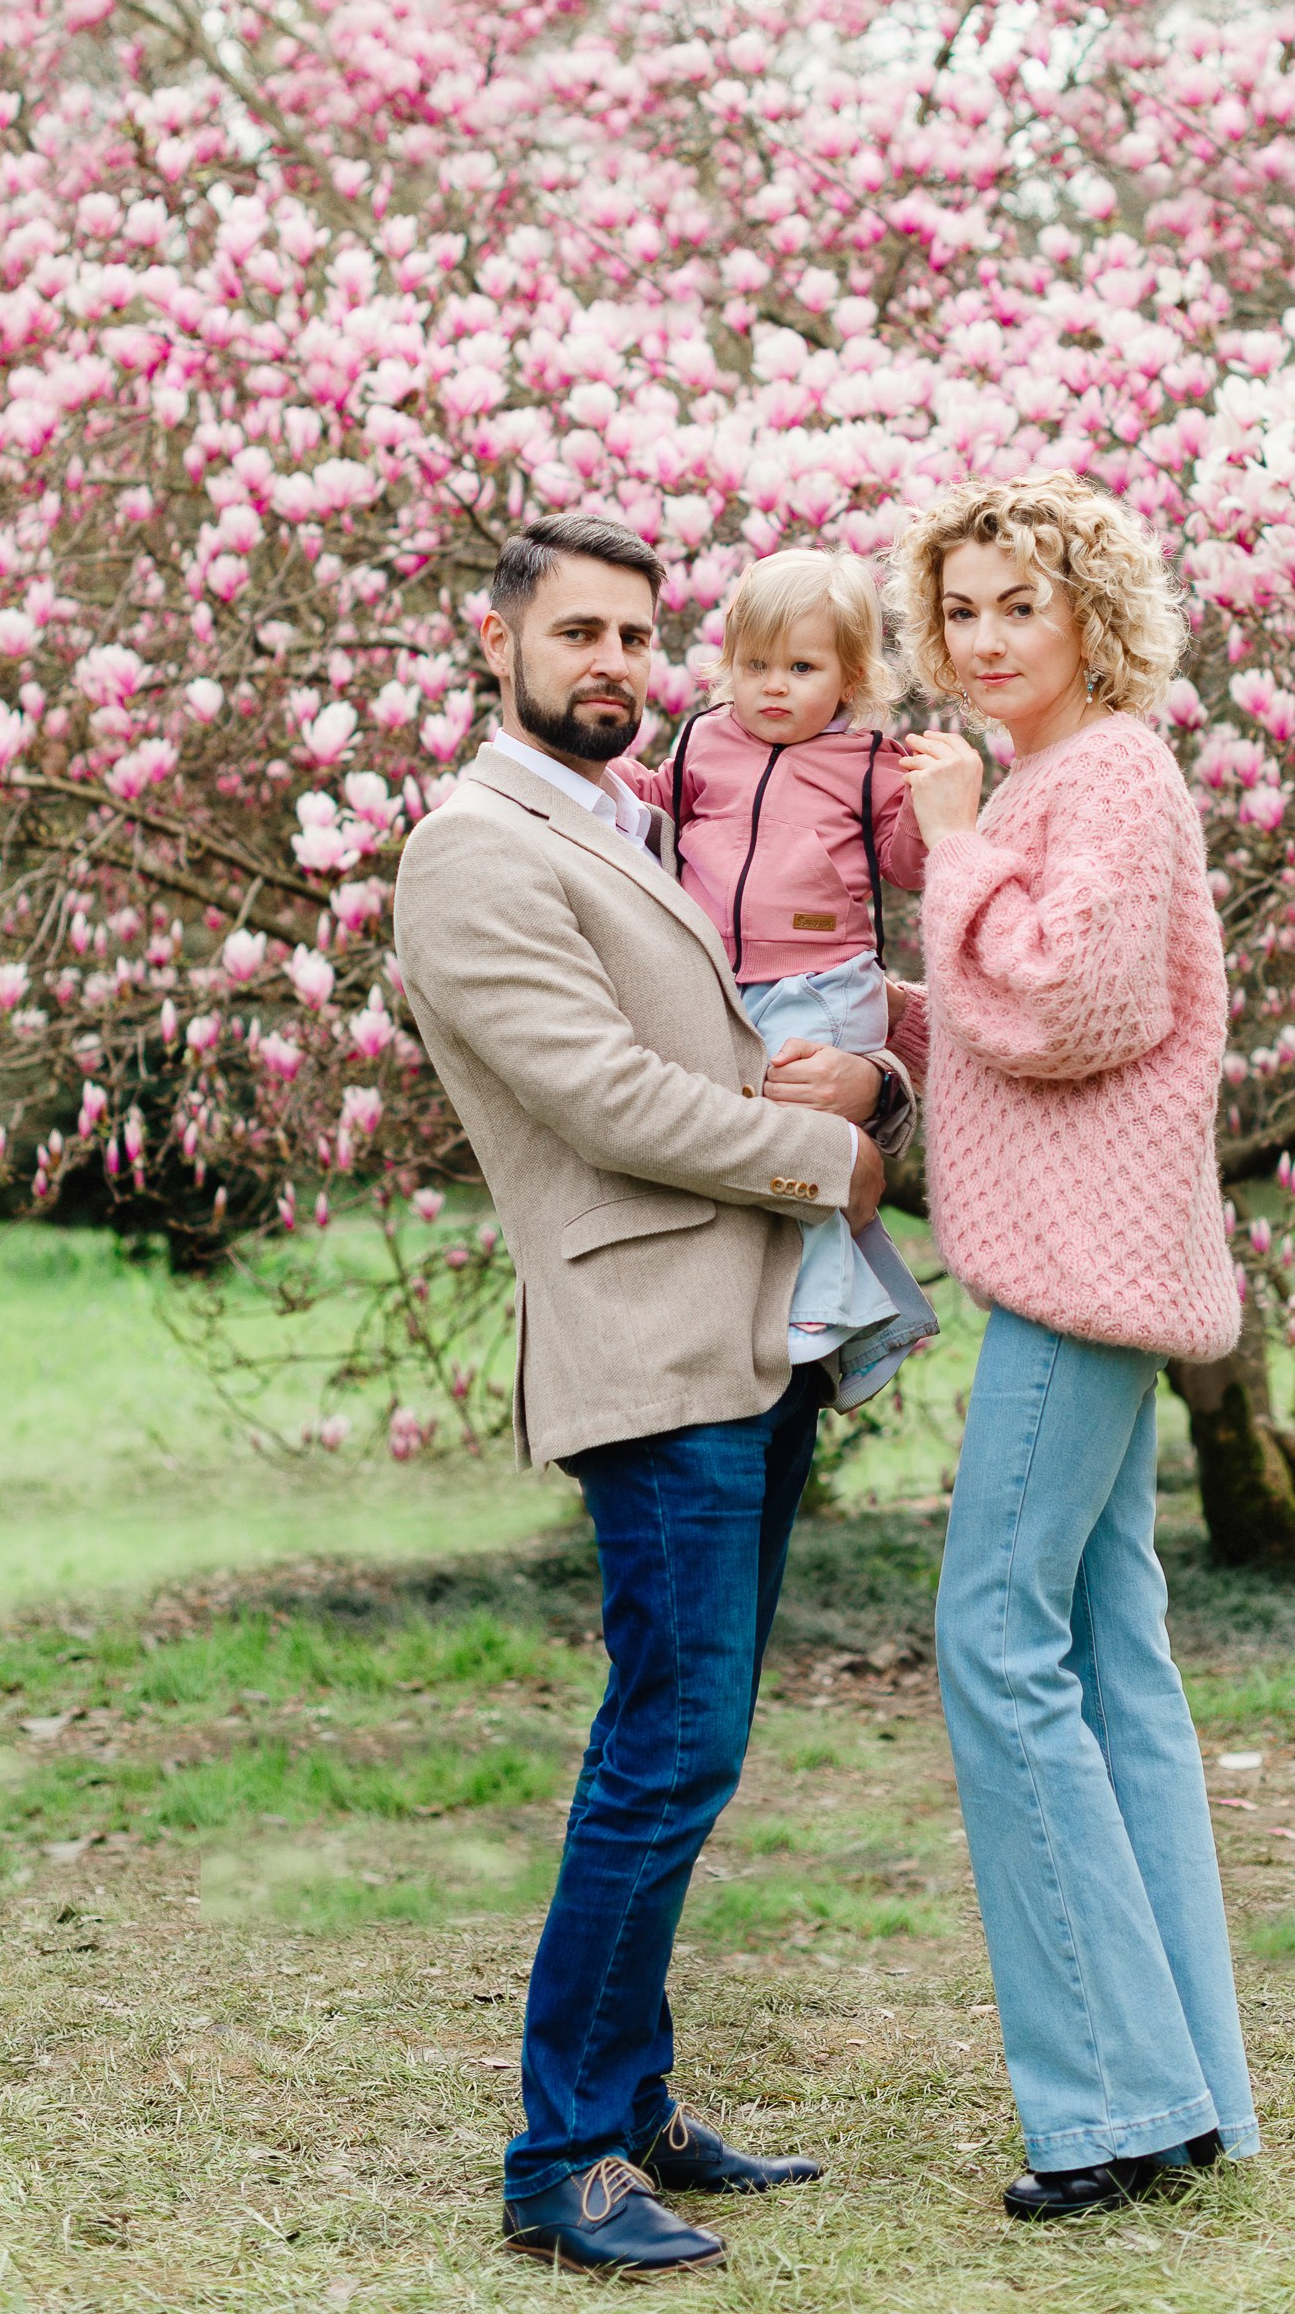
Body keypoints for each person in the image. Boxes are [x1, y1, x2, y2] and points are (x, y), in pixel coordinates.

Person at [392, 511, 911, 2279]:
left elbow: (750, 1014)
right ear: (498, 643)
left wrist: (879, 1077)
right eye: (578, 634)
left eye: (635, 636)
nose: (614, 663)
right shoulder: (474, 850)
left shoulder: (642, 819)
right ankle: (559, 2158)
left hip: (743, 1338)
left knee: (689, 1746)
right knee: (663, 1755)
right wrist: (820, 1159)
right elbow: (604, 1097)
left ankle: (633, 2102)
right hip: (648, 1347)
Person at [885, 471, 1259, 2216]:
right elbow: (1002, 1008)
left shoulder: (1100, 772)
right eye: (958, 608)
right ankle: (1188, 2092)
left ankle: (1110, 2106)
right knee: (1113, 1664)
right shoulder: (1058, 780)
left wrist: (955, 843)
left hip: (1079, 1278)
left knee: (995, 1642)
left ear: (1092, 616)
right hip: (1086, 1261)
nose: (981, 637)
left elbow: (1067, 1004)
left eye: (1016, 603)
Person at [611, 546, 939, 1408]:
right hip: (721, 981)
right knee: (750, 1147)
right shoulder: (706, 739)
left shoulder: (868, 760)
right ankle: (854, 1311)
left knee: (805, 1139)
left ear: (851, 674)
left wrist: (933, 808)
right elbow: (661, 800)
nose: (774, 687)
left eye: (802, 667)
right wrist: (594, 771)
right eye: (755, 666)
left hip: (824, 978)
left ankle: (841, 1322)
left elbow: (908, 863)